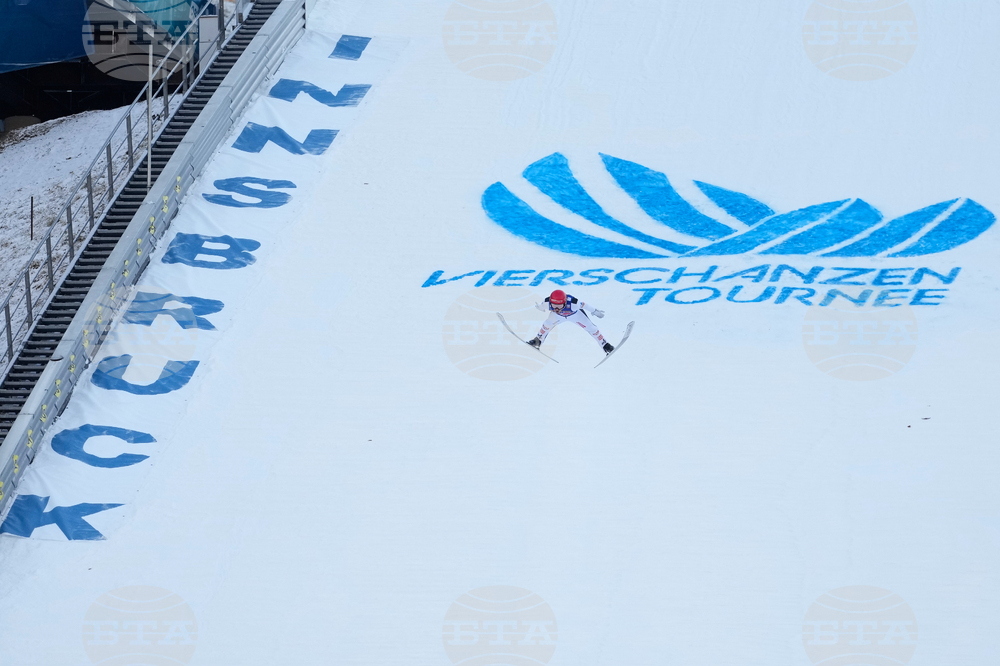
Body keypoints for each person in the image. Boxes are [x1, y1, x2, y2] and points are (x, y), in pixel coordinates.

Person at [528, 290, 614, 354]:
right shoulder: (547, 303)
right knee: (546, 325)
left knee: (592, 328)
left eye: (559, 305)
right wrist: (538, 307)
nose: (556, 308)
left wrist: (594, 311)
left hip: (575, 315)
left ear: (565, 302)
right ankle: (538, 341)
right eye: (554, 305)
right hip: (558, 316)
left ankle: (605, 345)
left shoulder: (574, 303)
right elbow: (541, 306)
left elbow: (584, 305)